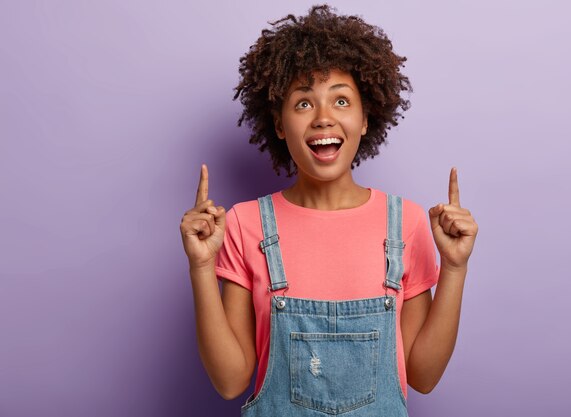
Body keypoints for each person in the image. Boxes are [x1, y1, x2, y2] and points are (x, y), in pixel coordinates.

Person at [179, 4, 478, 416]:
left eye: (341, 100)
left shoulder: (404, 223)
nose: (323, 118)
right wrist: (199, 268)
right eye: (303, 103)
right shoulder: (245, 225)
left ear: (366, 118)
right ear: (280, 124)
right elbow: (230, 382)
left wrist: (455, 269)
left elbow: (423, 377)